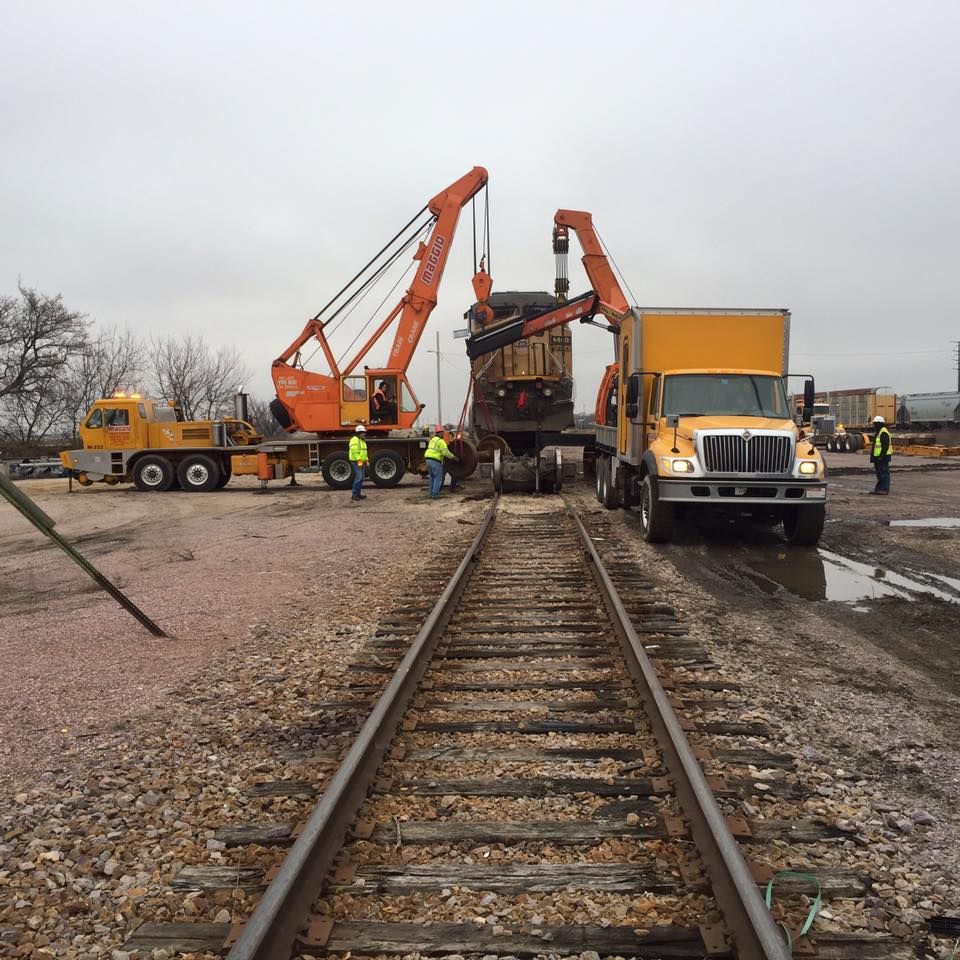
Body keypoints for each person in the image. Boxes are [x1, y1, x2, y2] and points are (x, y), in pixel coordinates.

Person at [424, 424, 456, 499]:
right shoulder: (441, 441)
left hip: (428, 460)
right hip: (435, 461)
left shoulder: (432, 440)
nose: (443, 434)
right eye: (442, 432)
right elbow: (445, 453)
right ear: (441, 433)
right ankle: (435, 495)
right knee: (438, 478)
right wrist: (453, 457)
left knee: (432, 478)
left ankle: (431, 494)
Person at [869, 414, 892, 495]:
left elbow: (885, 445)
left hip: (882, 457)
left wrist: (881, 456)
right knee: (880, 474)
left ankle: (884, 489)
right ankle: (879, 489)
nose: (874, 425)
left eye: (875, 424)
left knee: (884, 473)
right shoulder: (880, 432)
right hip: (878, 457)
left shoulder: (883, 432)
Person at [348, 424, 368, 502]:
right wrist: (359, 459)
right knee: (359, 477)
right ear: (359, 433)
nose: (365, 434)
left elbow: (364, 452)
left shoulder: (361, 441)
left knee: (361, 477)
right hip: (356, 461)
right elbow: (354, 451)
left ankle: (358, 494)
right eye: (363, 432)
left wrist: (366, 460)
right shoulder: (354, 439)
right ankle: (354, 495)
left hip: (360, 461)